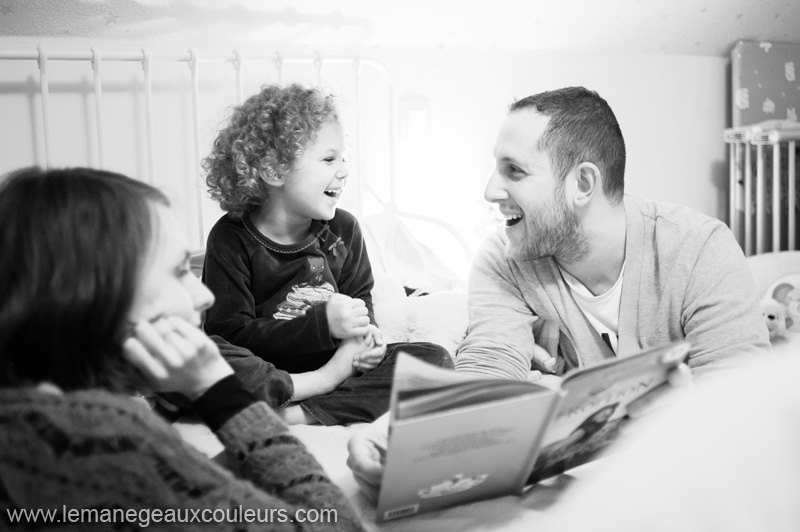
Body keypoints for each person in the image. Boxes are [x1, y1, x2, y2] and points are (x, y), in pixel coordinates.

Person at [346, 86, 770, 500]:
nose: (490, 190)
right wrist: (412, 434)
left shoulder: (700, 249)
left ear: (582, 183)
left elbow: (742, 403)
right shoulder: (502, 258)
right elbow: (490, 363)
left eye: (514, 170)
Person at [0, 167, 364, 531]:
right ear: (89, 297)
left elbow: (184, 496)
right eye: (178, 270)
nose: (204, 295)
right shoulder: (112, 439)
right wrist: (219, 391)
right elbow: (337, 525)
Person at [201, 83, 452, 426]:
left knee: (432, 361)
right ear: (274, 170)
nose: (345, 169)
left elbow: (361, 299)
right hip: (268, 373)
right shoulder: (230, 238)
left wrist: (368, 338)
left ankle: (297, 415)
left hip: (339, 365)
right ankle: (299, 399)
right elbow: (230, 337)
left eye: (343, 158)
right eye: (329, 159)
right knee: (207, 364)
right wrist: (322, 325)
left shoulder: (344, 230)